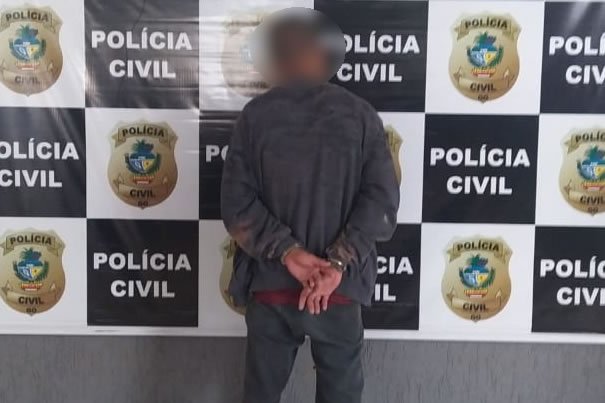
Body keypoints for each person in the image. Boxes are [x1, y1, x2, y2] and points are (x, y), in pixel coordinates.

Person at [220, 9, 400, 403]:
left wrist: (288, 253)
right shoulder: (361, 116)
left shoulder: (255, 117)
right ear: (323, 54)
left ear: (276, 57)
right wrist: (336, 264)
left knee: (260, 396)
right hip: (339, 288)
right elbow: (382, 204)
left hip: (272, 286)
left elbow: (236, 206)